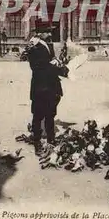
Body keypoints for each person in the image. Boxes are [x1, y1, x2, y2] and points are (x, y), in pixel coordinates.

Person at [26, 25, 63, 154]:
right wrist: (58, 68)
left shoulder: (47, 45)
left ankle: (51, 140)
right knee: (38, 116)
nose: (49, 33)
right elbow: (37, 67)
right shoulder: (34, 47)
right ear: (40, 33)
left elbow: (49, 60)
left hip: (50, 86)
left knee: (50, 115)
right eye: (47, 31)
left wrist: (55, 61)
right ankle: (37, 143)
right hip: (41, 87)